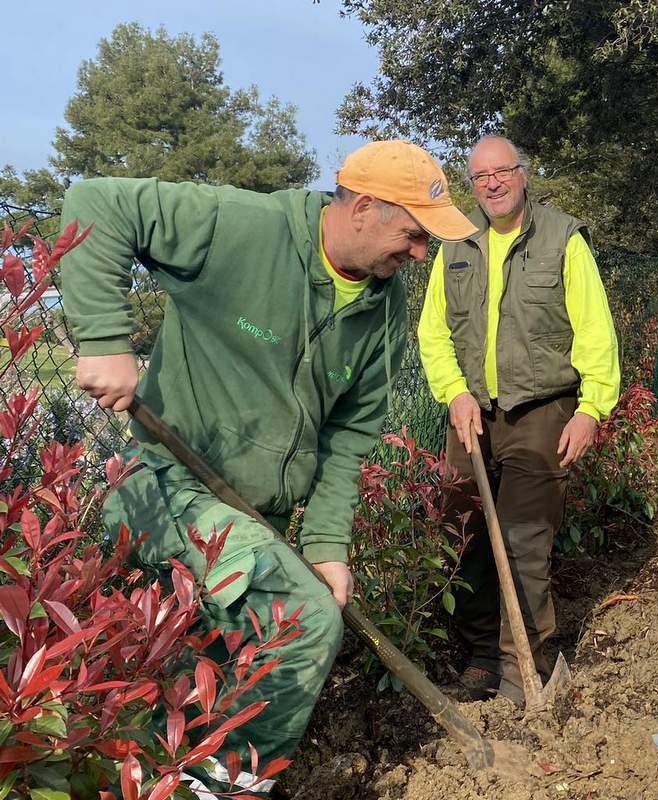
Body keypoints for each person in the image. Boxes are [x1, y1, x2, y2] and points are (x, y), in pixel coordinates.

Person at [61, 141, 475, 796]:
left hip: (260, 520)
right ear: (364, 207)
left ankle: (164, 777)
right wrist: (105, 337)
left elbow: (350, 435)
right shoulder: (245, 229)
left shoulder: (382, 306)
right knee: (303, 620)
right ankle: (219, 791)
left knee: (215, 675)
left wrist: (328, 547)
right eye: (414, 235)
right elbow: (97, 202)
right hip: (169, 487)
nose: (421, 254)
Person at [417, 135, 619, 704]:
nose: (493, 184)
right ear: (472, 184)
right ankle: (481, 653)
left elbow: (595, 332)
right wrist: (454, 393)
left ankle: (520, 668)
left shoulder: (563, 239)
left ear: (524, 175)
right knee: (465, 534)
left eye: (503, 172)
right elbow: (433, 331)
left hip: (542, 410)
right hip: (471, 413)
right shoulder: (454, 244)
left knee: (526, 540)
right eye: (481, 177)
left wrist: (591, 408)